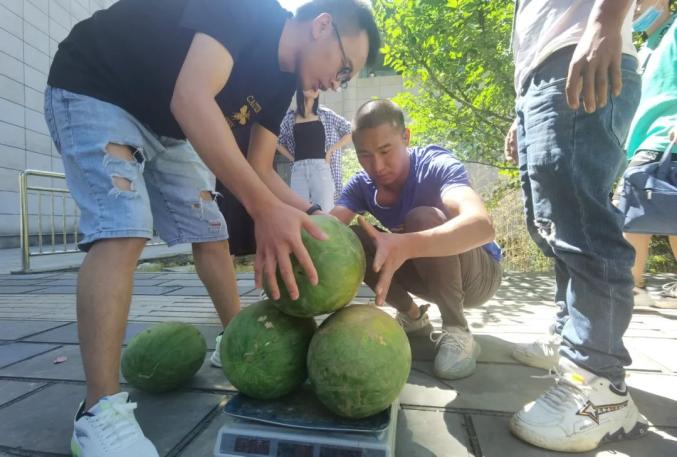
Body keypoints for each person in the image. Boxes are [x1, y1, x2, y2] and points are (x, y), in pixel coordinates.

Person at [44, 0, 380, 454]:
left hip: (165, 125)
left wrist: (318, 213)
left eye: (346, 79)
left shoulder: (281, 83)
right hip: (97, 87)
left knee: (211, 230)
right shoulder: (248, 11)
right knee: (123, 228)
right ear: (322, 26)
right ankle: (97, 412)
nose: (336, 83)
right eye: (343, 68)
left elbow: (259, 168)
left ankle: (235, 337)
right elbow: (191, 98)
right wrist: (264, 210)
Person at [503, 0, 648, 452]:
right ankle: (571, 336)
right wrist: (524, 104)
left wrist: (606, 21)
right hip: (542, 73)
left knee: (584, 226)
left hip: (579, 51)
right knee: (551, 225)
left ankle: (598, 382)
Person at [330, 99, 503, 380]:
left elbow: (483, 227)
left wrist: (407, 244)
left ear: (406, 137)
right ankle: (413, 317)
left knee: (422, 217)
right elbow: (328, 229)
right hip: (428, 277)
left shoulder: (435, 165)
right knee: (355, 238)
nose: (377, 166)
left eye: (385, 151)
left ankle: (458, 331)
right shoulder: (361, 185)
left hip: (478, 277)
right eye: (365, 155)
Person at [615, 0, 677, 309]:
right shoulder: (643, 47)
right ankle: (632, 287)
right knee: (659, 208)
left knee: (631, 204)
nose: (635, 7)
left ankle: (630, 287)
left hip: (666, 136)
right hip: (643, 141)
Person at [277, 88, 353, 212]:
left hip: (320, 168)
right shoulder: (291, 118)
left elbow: (350, 131)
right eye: (309, 85)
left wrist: (331, 150)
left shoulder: (325, 114)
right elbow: (277, 140)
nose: (313, 88)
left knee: (325, 211)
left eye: (316, 87)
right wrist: (292, 158)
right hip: (298, 171)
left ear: (318, 93)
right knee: (300, 212)